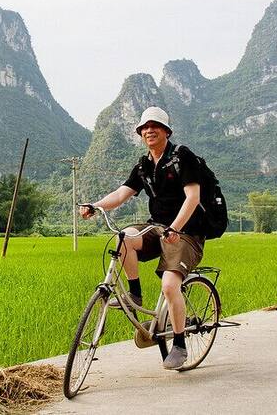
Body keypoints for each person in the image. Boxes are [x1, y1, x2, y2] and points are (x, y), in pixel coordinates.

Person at [79, 106, 208, 370]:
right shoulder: (144, 165)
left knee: (170, 285)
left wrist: (174, 228)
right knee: (124, 236)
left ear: (166, 131)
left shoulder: (183, 157)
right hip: (156, 228)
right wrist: (95, 205)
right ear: (140, 133)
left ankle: (180, 344)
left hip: (186, 233)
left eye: (155, 126)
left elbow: (193, 198)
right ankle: (135, 294)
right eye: (145, 127)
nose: (149, 130)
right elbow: (122, 193)